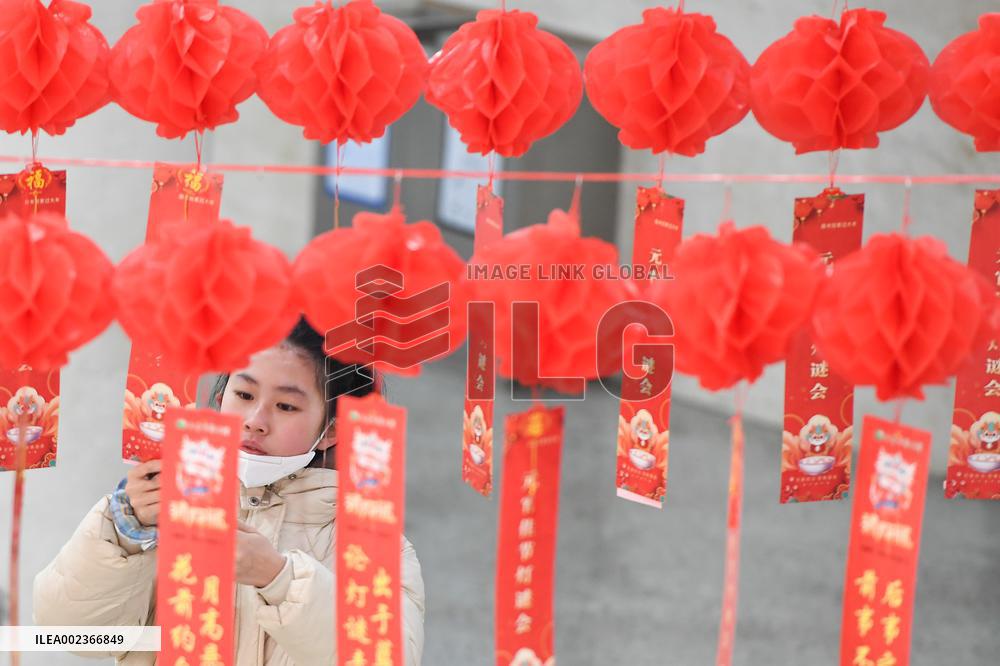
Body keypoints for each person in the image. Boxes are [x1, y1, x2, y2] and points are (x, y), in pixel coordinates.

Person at [33, 317, 425, 665]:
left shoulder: (369, 542)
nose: (255, 420)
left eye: (286, 406)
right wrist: (124, 535)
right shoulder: (155, 514)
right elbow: (69, 633)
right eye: (245, 395)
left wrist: (279, 580)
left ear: (330, 431)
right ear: (221, 399)